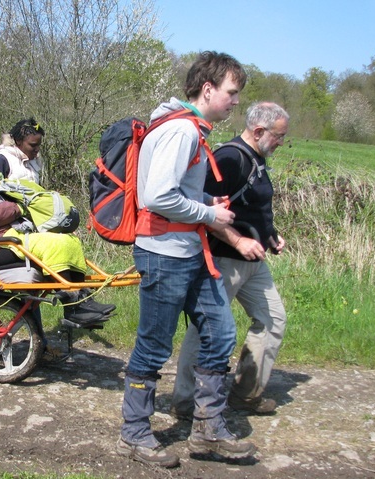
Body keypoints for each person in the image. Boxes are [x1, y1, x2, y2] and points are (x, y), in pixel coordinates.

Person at [116, 51, 255, 469]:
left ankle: (207, 428)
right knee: (154, 345)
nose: (235, 102)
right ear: (208, 89)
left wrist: (203, 200)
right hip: (164, 255)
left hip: (191, 253)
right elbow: (158, 197)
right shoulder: (181, 131)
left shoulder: (189, 129)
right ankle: (134, 432)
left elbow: (174, 192)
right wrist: (210, 214)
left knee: (220, 332)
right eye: (232, 93)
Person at [171, 102, 289, 418]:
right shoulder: (229, 158)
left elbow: (252, 207)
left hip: (254, 262)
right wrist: (237, 240)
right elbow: (202, 210)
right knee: (206, 329)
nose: (280, 142)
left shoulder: (258, 160)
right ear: (259, 131)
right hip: (222, 260)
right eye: (278, 136)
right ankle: (185, 399)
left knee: (273, 319)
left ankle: (244, 394)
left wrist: (270, 235)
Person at [0, 139, 114, 326]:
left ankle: (82, 300)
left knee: (69, 240)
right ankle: (73, 306)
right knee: (55, 244)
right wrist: (17, 208)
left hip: (5, 238)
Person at [0, 118, 44, 183]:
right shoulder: (2, 159)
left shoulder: (33, 161)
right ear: (18, 141)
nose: (37, 149)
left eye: (39, 145)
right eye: (33, 145)